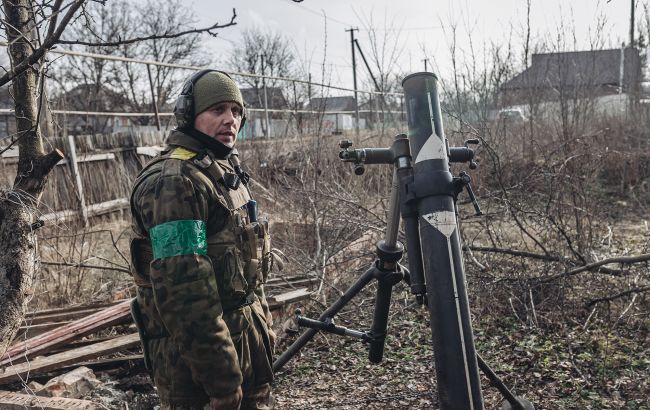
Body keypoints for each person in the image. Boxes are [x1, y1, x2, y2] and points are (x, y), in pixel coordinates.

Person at [129, 70, 276, 410]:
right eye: (218, 110)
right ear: (189, 115)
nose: (230, 120)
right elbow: (185, 291)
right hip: (199, 376)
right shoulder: (176, 182)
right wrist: (221, 381)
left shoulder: (220, 172)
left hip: (244, 353)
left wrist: (263, 330)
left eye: (236, 111)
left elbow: (247, 274)